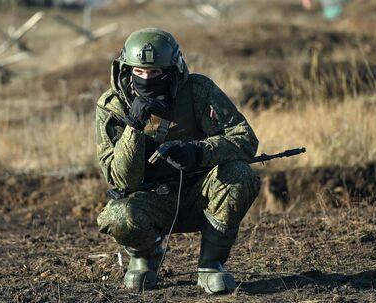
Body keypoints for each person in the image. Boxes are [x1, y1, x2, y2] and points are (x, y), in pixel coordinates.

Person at [95, 27, 261, 294]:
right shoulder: (112, 106)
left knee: (240, 174)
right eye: (139, 72)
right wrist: (134, 127)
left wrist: (196, 152)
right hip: (149, 201)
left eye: (155, 73)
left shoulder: (197, 91)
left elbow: (245, 139)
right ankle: (145, 256)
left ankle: (210, 265)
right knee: (117, 215)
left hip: (200, 193)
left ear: (172, 70)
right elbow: (121, 179)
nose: (146, 79)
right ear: (126, 69)